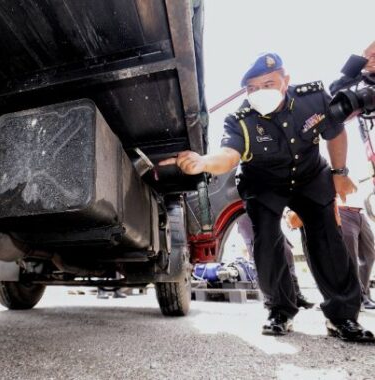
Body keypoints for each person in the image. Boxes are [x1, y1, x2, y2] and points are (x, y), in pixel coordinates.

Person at [160, 51, 375, 342]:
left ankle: (342, 317)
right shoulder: (240, 119)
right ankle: (280, 311)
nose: (259, 92)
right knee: (266, 243)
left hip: (311, 177)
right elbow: (228, 156)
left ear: (286, 81)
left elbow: (335, 132)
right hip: (263, 184)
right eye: (252, 88)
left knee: (328, 239)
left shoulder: (312, 98)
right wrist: (203, 162)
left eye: (268, 83)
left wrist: (339, 172)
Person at [237, 214, 314, 309]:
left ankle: (296, 295)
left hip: (267, 213)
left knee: (286, 252)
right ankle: (270, 299)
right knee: (262, 258)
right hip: (247, 214)